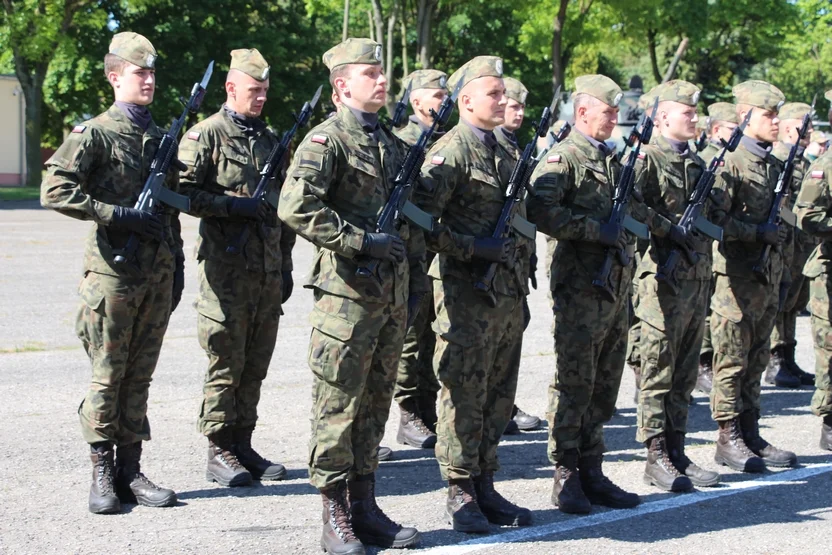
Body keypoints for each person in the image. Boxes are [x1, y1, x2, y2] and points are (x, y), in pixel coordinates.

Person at [278, 38, 426, 553]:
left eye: (382, 73)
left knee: (374, 407)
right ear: (342, 85)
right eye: (371, 74)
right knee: (338, 407)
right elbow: (295, 206)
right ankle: (334, 515)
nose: (382, 81)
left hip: (390, 299)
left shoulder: (390, 143)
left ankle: (365, 506)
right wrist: (360, 240)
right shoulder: (327, 141)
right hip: (346, 300)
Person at [40, 31, 180, 514]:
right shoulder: (95, 133)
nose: (149, 81)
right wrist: (115, 214)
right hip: (113, 276)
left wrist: (176, 265)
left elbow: (169, 211)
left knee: (140, 375)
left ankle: (130, 469)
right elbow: (54, 190)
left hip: (156, 273)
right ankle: (101, 470)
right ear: (115, 76)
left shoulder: (161, 137)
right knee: (108, 375)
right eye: (140, 73)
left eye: (152, 74)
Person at [417, 55, 533, 533]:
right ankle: (460, 490)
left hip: (507, 295)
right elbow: (421, 221)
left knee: (498, 396)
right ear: (466, 101)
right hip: (465, 293)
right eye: (494, 93)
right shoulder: (450, 152)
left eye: (504, 93)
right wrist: (469, 247)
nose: (503, 100)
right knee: (464, 392)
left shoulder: (506, 151)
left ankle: (486, 481)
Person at [527, 75, 648, 515]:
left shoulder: (611, 158)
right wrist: (596, 231)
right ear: (582, 112)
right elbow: (540, 211)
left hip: (614, 287)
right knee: (575, 380)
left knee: (605, 381)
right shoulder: (564, 157)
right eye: (608, 111)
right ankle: (566, 473)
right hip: (580, 287)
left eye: (616, 112)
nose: (614, 118)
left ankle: (592, 466)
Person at [178, 48, 295, 487]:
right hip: (226, 273)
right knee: (225, 361)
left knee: (255, 363)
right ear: (230, 88)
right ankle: (219, 449)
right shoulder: (206, 134)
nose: (261, 97)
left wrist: (284, 263)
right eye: (253, 90)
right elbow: (182, 193)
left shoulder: (271, 140)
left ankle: (243, 442)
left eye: (265, 90)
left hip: (265, 272)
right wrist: (230, 206)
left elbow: (285, 207)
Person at [632, 80, 721, 492]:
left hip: (696, 279)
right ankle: (655, 455)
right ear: (664, 115)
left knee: (685, 371)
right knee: (658, 369)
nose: (695, 118)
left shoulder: (699, 163)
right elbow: (629, 205)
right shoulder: (646, 159)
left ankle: (678, 447)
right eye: (687, 112)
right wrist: (667, 229)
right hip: (661, 281)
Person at [709, 80, 797, 473]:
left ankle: (750, 430)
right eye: (768, 115)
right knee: (731, 360)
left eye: (778, 115)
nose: (776, 122)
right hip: (736, 281)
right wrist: (753, 233)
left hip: (766, 279)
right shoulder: (730, 163)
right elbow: (713, 221)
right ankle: (728, 438)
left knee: (758, 358)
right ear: (745, 117)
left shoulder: (773, 164)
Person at [392, 68, 448, 450]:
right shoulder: (404, 142)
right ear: (417, 101)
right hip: (414, 249)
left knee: (434, 335)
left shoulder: (448, 140)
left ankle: (429, 408)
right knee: (412, 336)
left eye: (446, 96)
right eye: (438, 96)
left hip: (443, 253)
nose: (444, 102)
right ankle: (410, 412)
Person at [494, 75, 543, 435]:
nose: (519, 112)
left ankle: (503, 404)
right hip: (490, 265)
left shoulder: (514, 147)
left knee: (510, 340)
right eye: (513, 105)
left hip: (514, 265)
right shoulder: (493, 148)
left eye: (522, 106)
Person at [766, 102, 816, 389]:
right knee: (779, 301)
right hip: (784, 241)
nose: (808, 131)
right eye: (803, 125)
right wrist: (799, 220)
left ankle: (788, 358)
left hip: (800, 245)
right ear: (788, 127)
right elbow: (780, 205)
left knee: (793, 303)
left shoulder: (802, 161)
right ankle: (775, 362)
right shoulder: (780, 159)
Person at [695, 103, 739, 395]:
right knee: (707, 309)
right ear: (715, 130)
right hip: (704, 249)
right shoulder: (708, 160)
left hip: (714, 246)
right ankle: (703, 363)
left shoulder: (730, 159)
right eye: (732, 129)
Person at [794, 112, 832, 452]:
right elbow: (806, 215)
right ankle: (830, 420)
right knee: (830, 348)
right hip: (828, 271)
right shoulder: (825, 165)